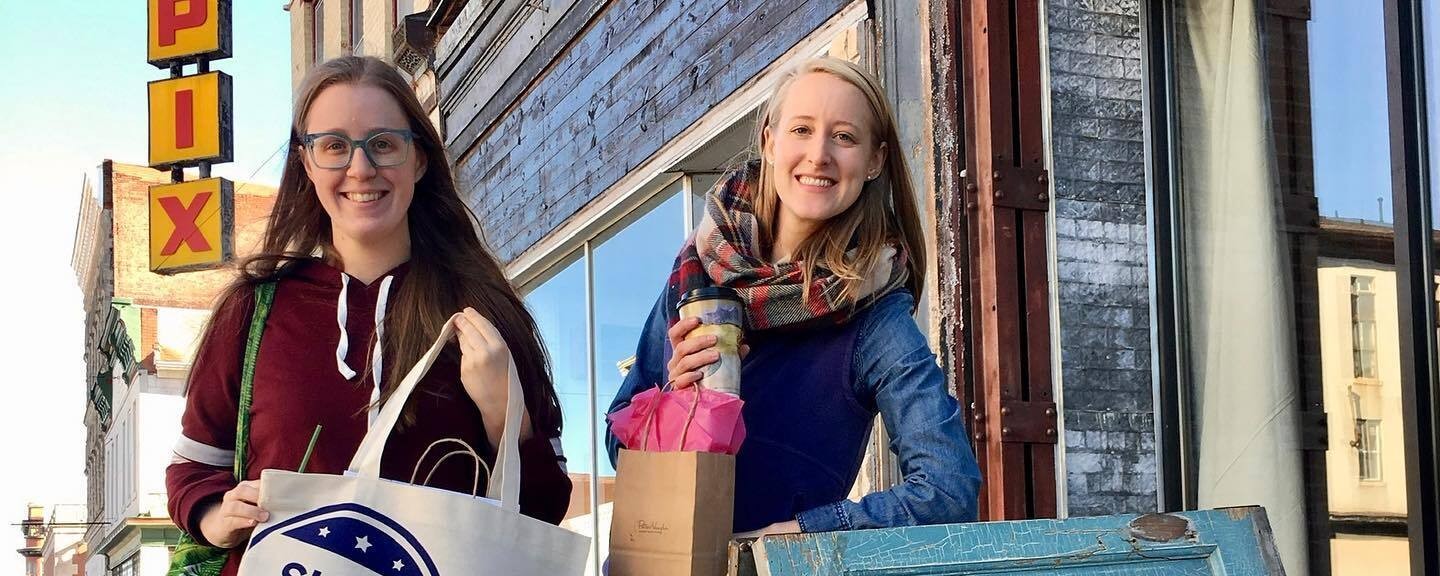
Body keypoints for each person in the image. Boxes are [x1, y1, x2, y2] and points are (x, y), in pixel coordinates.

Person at [166, 56, 571, 574]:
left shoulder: (484, 315)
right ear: (306, 163)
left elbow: (544, 509)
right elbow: (193, 467)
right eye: (334, 146)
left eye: (383, 143)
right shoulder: (253, 310)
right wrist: (213, 514)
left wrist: (503, 416)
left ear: (418, 160)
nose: (360, 168)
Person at [606, 57, 981, 536]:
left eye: (844, 136)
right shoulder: (698, 273)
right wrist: (670, 401)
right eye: (801, 129)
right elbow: (617, 446)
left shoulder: (876, 318)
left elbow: (949, 491)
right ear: (769, 141)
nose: (819, 154)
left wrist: (804, 532)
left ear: (875, 161)